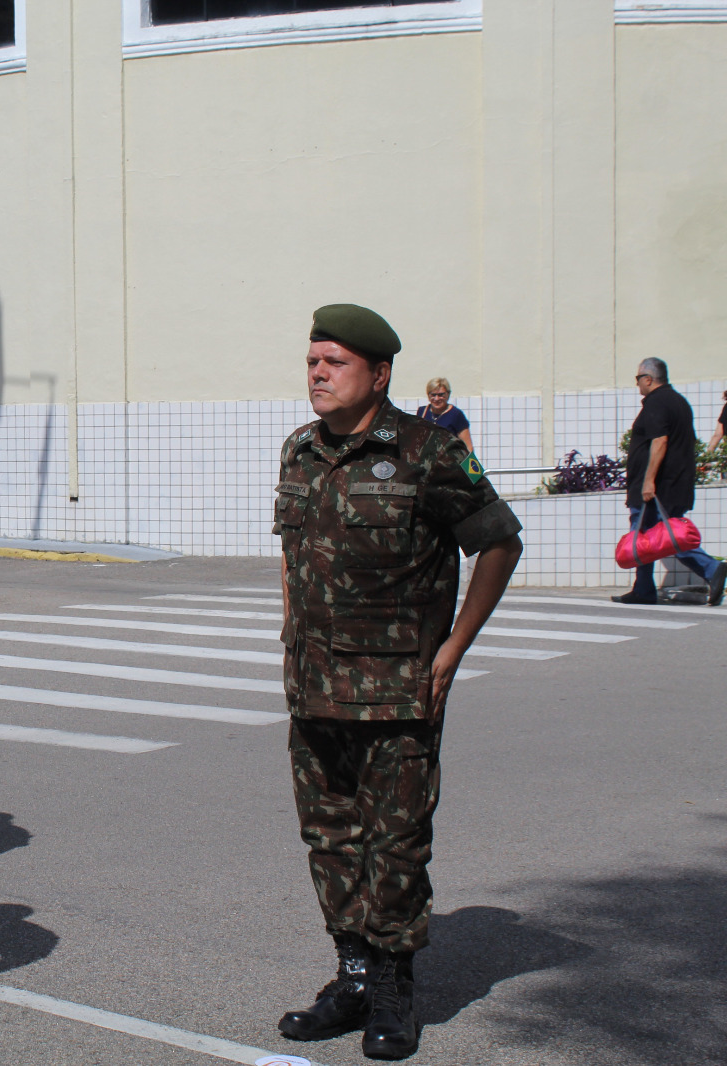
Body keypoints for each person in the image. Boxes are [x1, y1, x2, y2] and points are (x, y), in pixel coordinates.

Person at [273, 304, 522, 1061]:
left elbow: (499, 542)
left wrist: (452, 649)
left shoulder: (427, 451)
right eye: (312, 360)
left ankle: (393, 985)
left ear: (379, 374)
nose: (317, 374)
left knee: (396, 843)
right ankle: (350, 974)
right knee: (330, 836)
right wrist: (290, 633)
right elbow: (292, 554)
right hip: (314, 687)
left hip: (396, 689)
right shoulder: (300, 451)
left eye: (334, 362)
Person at [613, 359, 726, 606]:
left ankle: (712, 568)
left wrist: (648, 481)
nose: (637, 385)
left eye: (637, 379)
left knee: (663, 538)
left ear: (648, 379)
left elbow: (660, 441)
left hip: (658, 488)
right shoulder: (679, 401)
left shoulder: (658, 402)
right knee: (648, 539)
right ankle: (643, 590)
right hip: (674, 485)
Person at [414, 377, 473, 453]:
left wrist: (469, 464)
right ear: (428, 395)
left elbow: (468, 447)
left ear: (448, 394)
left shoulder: (456, 414)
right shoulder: (422, 412)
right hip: (427, 461)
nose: (437, 398)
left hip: (449, 461)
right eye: (433, 395)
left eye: (441, 395)